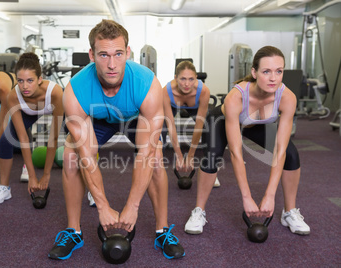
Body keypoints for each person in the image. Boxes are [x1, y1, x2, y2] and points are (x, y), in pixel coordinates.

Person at [48, 19, 185, 261]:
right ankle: (73, 231)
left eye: (118, 54)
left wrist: (132, 207)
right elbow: (86, 155)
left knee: (154, 157)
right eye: (103, 55)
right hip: (100, 119)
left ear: (127, 52)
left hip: (135, 117)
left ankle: (162, 230)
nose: (112, 64)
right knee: (71, 155)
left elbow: (146, 153)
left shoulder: (146, 83)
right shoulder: (76, 90)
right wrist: (102, 207)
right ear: (92, 54)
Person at [184, 46, 310, 236]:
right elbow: (236, 153)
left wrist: (270, 195)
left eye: (279, 71)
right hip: (221, 120)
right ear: (254, 72)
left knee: (291, 154)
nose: (273, 78)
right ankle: (198, 211)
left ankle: (289, 212)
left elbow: (280, 151)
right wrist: (247, 197)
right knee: (212, 157)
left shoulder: (287, 97)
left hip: (256, 124)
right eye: (266, 71)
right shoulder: (236, 97)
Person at [0, 52, 64, 204]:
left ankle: (91, 190)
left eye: (30, 80)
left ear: (40, 79)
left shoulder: (55, 92)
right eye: (20, 81)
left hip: (56, 108)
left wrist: (46, 174)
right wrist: (33, 176)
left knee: (80, 139)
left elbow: (53, 137)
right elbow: (23, 138)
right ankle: (4, 188)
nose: (25, 86)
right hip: (30, 112)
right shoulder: (13, 96)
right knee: (6, 140)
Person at [162, 60, 220, 187]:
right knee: (161, 129)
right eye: (182, 79)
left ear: (196, 78)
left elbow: (198, 125)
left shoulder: (203, 91)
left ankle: (211, 171)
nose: (187, 84)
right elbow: (171, 124)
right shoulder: (166, 91)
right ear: (175, 78)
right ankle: (156, 172)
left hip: (195, 106)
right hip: (174, 105)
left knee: (209, 128)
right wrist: (178, 155)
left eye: (191, 79)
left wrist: (190, 155)